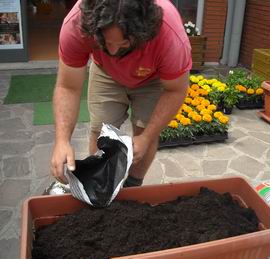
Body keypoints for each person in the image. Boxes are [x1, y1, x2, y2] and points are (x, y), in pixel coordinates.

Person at [51, 0, 192, 187]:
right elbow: (68, 87)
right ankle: (99, 186)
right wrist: (62, 141)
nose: (113, 51)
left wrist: (146, 137)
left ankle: (133, 184)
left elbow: (176, 90)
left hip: (152, 77)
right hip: (104, 72)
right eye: (106, 41)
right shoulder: (77, 23)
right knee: (101, 131)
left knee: (144, 132)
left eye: (124, 43)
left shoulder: (168, 34)